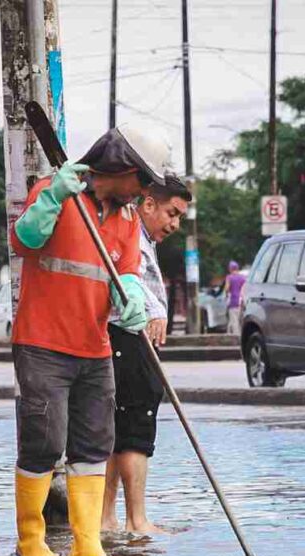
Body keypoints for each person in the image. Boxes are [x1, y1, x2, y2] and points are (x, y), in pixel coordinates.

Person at [10, 123, 172, 556]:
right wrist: (50, 199)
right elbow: (24, 241)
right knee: (43, 441)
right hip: (43, 342)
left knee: (94, 444)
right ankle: (32, 542)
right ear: (122, 166)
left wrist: (133, 297)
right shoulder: (55, 191)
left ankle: (87, 545)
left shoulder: (125, 218)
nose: (143, 191)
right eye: (142, 180)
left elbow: (128, 271)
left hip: (95, 345)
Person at [101, 174, 192, 534]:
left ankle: (107, 519)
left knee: (117, 427)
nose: (175, 224)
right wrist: (155, 312)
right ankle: (135, 520)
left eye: (181, 216)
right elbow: (128, 278)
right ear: (149, 203)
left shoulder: (135, 233)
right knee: (134, 424)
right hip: (128, 333)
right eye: (172, 213)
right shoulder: (130, 231)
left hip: (124, 335)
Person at [223, 260, 247, 336]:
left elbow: (227, 288)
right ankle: (229, 334)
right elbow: (244, 290)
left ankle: (236, 337)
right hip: (240, 301)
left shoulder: (229, 277)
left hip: (232, 301)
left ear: (230, 269)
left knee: (234, 321)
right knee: (238, 320)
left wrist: (226, 294)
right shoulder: (243, 278)